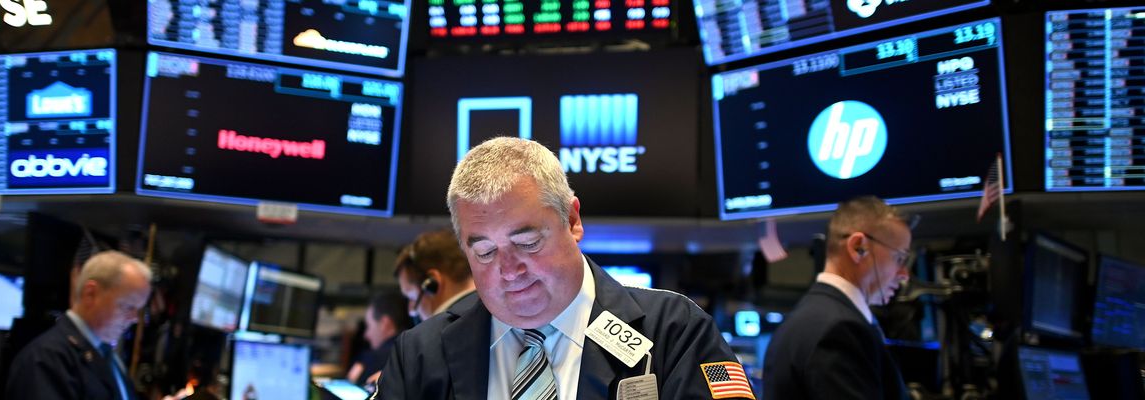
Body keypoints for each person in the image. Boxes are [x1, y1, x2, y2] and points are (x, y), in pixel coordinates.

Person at [376, 137, 754, 399]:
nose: (509, 270)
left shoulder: (674, 333)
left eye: (527, 243)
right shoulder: (421, 354)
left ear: (572, 220)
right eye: (486, 252)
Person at [763, 196, 912, 400]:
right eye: (900, 257)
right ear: (859, 247)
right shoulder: (839, 329)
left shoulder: (810, 317)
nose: (904, 273)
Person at [6, 250, 153, 400]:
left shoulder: (107, 354)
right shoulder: (47, 357)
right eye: (128, 306)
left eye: (138, 310)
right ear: (90, 293)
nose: (135, 319)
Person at [393, 229, 478, 322]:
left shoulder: (440, 331)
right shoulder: (491, 312)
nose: (411, 311)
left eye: (412, 297)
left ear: (433, 283)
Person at [347, 290, 412, 385]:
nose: (366, 335)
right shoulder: (413, 350)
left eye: (369, 326)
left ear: (385, 324)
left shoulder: (375, 359)